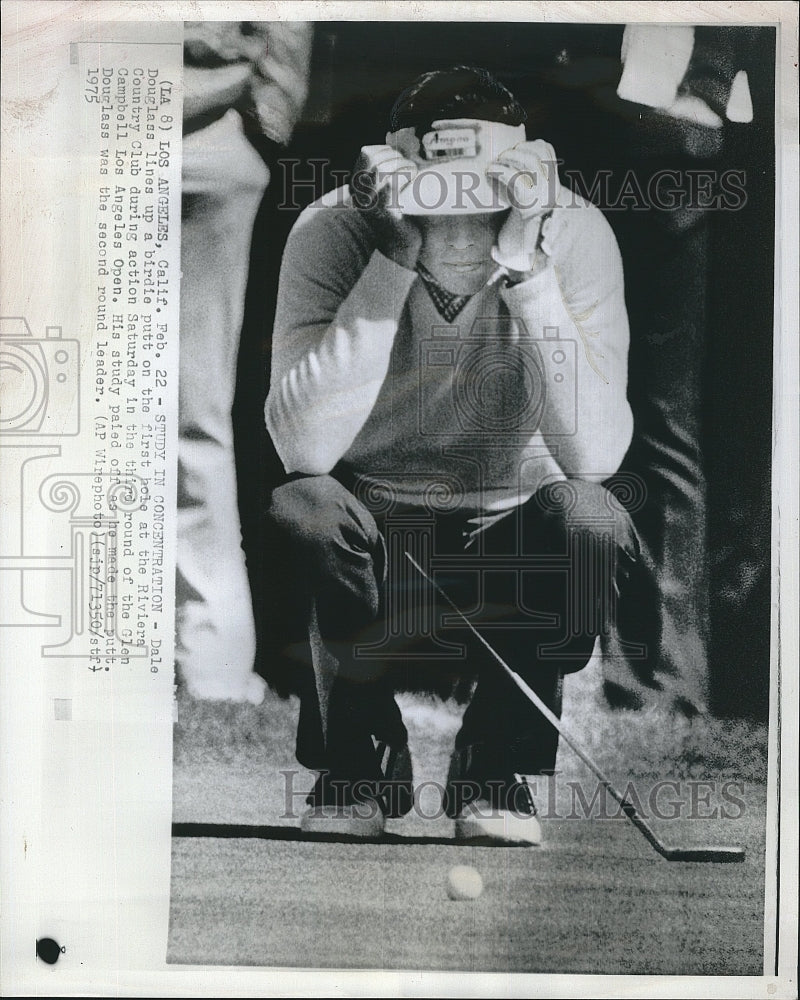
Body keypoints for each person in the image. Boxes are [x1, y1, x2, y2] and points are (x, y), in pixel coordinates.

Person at [265, 66, 639, 843]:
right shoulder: (331, 229)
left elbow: (595, 455)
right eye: (443, 199)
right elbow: (302, 446)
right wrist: (392, 259)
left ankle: (495, 760)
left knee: (592, 519)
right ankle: (360, 761)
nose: (463, 229)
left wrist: (526, 268)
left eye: (485, 197)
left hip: (511, 531)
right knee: (301, 506)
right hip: (378, 530)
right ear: (391, 185)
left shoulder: (574, 232)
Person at [177, 21, 312, 703]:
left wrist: (264, 118)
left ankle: (212, 667)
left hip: (201, 133)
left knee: (191, 415)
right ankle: (206, 667)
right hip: (79, 128)